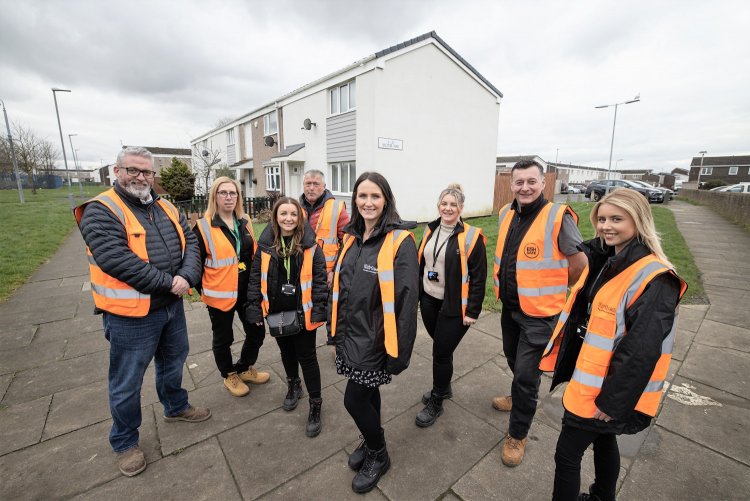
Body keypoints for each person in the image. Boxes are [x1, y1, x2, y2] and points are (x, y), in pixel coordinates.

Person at [539, 189, 686, 501]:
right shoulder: (607, 258)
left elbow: (642, 349)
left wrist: (613, 402)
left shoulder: (656, 277)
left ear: (638, 220)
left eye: (616, 219)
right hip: (591, 379)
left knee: (566, 455)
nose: (606, 226)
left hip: (606, 391)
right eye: (602, 218)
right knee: (605, 441)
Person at [75, 146, 210, 478]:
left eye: (146, 172)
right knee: (127, 381)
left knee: (174, 360)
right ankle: (124, 441)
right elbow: (117, 260)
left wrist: (187, 277)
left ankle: (175, 407)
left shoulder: (165, 206)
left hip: (170, 308)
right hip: (130, 316)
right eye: (132, 170)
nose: (140, 177)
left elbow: (191, 244)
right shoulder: (101, 210)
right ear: (117, 171)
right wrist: (170, 283)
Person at [492, 159, 587, 467]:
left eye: (531, 181)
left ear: (543, 183)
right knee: (512, 358)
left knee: (526, 374)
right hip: (510, 308)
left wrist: (560, 287)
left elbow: (579, 264)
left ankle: (517, 434)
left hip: (541, 314)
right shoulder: (507, 212)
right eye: (519, 182)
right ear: (512, 184)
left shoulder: (558, 217)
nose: (525, 188)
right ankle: (519, 397)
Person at [331, 171, 419, 494]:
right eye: (362, 196)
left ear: (386, 200)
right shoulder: (352, 236)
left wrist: (400, 353)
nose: (368, 202)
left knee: (353, 400)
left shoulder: (400, 241)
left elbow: (408, 303)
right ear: (354, 200)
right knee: (367, 394)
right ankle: (371, 443)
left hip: (376, 341)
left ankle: (379, 454)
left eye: (375, 196)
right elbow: (344, 287)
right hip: (350, 336)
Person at [246, 197, 327, 437]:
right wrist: (254, 308)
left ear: (300, 218)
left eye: (293, 214)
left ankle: (316, 403)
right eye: (284, 213)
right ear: (276, 217)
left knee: (308, 357)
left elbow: (321, 280)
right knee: (286, 353)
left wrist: (321, 309)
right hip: (277, 311)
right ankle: (294, 385)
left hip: (304, 312)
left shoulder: (311, 245)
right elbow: (254, 278)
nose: (289, 218)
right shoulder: (266, 245)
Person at [414, 183, 487, 427]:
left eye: (453, 204)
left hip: (454, 306)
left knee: (440, 353)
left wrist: (472, 311)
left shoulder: (472, 237)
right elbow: (421, 264)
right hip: (428, 299)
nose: (448, 208)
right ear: (438, 206)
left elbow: (479, 277)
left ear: (461, 208)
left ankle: (437, 399)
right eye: (444, 204)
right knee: (442, 349)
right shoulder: (430, 229)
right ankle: (444, 387)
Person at [193, 177, 270, 398]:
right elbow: (195, 265)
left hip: (247, 292)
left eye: (233, 193)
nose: (228, 197)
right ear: (214, 197)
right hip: (220, 295)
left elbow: (251, 255)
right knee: (223, 338)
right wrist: (205, 289)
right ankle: (229, 374)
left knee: (257, 332)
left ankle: (244, 367)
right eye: (223, 192)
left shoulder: (244, 221)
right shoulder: (203, 227)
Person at [299, 169, 350, 348]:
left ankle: (337, 346)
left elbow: (348, 242)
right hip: (303, 274)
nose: (311, 188)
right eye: (308, 184)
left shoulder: (336, 208)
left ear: (324, 187)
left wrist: (335, 271)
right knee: (305, 311)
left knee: (334, 313)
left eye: (316, 184)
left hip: (328, 274)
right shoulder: (295, 209)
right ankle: (305, 346)